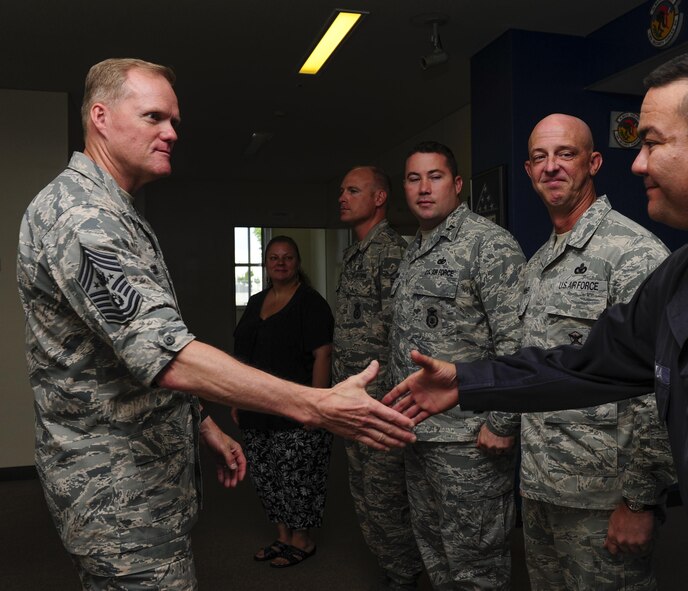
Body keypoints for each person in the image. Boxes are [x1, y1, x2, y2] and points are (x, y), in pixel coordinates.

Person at [386, 45, 688, 590]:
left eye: (651, 142)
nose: (638, 163)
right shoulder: (684, 277)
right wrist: (468, 381)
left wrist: (639, 499)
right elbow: (586, 365)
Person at [16, 58, 414, 590]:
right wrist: (316, 405)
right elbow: (168, 354)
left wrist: (201, 424)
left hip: (144, 483)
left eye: (174, 120)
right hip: (116, 494)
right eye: (155, 117)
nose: (172, 132)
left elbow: (131, 350)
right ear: (101, 117)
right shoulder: (81, 216)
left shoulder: (116, 209)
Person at [506, 113, 674, 590]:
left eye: (565, 154)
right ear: (528, 170)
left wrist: (641, 501)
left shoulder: (633, 253)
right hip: (540, 488)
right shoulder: (539, 262)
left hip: (604, 499)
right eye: (540, 157)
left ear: (593, 162)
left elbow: (657, 386)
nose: (551, 167)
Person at [389, 141, 526, 589]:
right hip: (418, 434)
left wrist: (503, 424)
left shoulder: (488, 244)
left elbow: (516, 342)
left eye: (435, 176)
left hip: (469, 440)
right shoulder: (414, 249)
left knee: (477, 564)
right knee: (436, 553)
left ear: (458, 184)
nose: (424, 188)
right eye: (414, 178)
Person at [332, 166, 423, 589]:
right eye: (342, 191)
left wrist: (391, 402)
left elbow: (402, 333)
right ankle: (392, 570)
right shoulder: (355, 253)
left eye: (353, 190)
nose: (342, 197)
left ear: (380, 198)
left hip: (382, 401)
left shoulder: (391, 252)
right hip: (355, 399)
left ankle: (403, 577)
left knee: (386, 498)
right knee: (365, 496)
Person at [232, 236, 334, 567]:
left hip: (295, 406)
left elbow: (323, 354)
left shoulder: (311, 303)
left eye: (287, 257)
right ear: (266, 263)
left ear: (297, 263)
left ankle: (302, 540)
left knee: (298, 476)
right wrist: (237, 397)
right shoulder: (256, 301)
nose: (280, 262)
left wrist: (315, 405)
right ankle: (282, 535)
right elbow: (243, 354)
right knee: (266, 474)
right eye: (274, 257)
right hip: (256, 407)